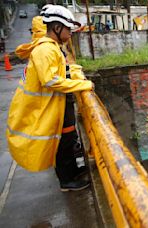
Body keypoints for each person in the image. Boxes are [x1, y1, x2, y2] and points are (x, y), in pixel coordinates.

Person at [7, 5, 94, 192]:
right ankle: (67, 181)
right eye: (67, 28)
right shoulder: (45, 50)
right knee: (62, 143)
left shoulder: (52, 48)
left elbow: (63, 72)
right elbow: (51, 80)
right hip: (48, 107)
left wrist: (76, 74)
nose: (70, 33)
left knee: (67, 139)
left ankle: (72, 172)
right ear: (56, 28)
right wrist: (84, 85)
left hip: (55, 106)